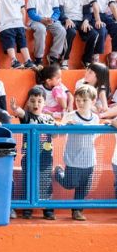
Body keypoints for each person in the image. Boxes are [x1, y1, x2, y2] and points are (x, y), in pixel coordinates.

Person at [54, 85, 100, 221]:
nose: (80, 103)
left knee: (83, 189)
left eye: (84, 100)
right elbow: (58, 135)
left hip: (89, 160)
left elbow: (96, 134)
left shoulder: (96, 118)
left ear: (92, 101)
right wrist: (60, 126)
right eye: (78, 100)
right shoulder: (70, 115)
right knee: (70, 183)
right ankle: (58, 172)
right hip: (73, 159)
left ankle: (77, 211)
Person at [10, 88, 56, 220]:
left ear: (44, 103)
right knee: (27, 181)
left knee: (45, 182)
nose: (36, 104)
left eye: (39, 101)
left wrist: (58, 127)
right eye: (32, 101)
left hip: (45, 158)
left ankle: (48, 209)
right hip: (29, 157)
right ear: (28, 103)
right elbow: (20, 112)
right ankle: (27, 208)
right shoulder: (27, 117)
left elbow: (56, 134)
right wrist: (15, 108)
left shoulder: (48, 118)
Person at [58, 0, 97, 69]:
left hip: (81, 22)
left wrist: (86, 20)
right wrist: (66, 19)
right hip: (68, 21)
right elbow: (60, 12)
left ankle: (86, 59)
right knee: (71, 32)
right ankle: (64, 59)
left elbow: (87, 12)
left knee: (94, 34)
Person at [27, 0, 65, 68]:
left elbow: (57, 12)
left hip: (51, 21)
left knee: (61, 30)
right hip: (37, 21)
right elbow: (31, 13)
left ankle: (53, 56)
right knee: (41, 29)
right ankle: (38, 58)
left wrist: (52, 19)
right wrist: (41, 19)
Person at [86, 0, 117, 68]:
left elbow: (112, 6)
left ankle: (113, 55)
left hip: (105, 16)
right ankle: (95, 56)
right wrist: (98, 20)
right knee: (102, 30)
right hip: (94, 16)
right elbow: (95, 6)